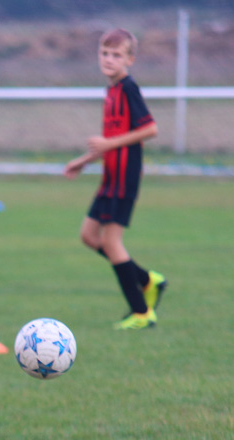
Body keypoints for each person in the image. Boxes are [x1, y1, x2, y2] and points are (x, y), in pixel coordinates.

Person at [64, 28, 166, 331]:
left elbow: (150, 130)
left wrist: (108, 145)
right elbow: (111, 139)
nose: (109, 59)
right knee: (88, 236)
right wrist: (83, 161)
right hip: (110, 177)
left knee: (110, 241)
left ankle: (141, 311)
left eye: (116, 55)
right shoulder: (111, 91)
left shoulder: (128, 88)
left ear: (130, 59)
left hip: (124, 177)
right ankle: (147, 280)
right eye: (105, 54)